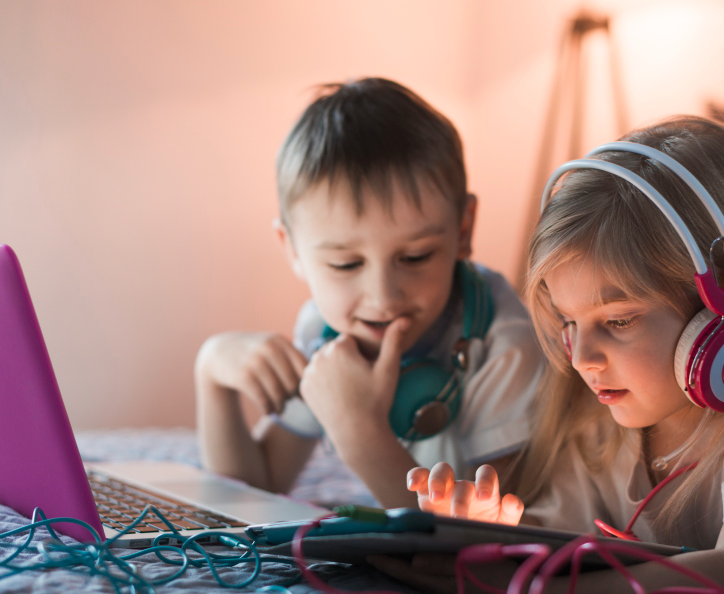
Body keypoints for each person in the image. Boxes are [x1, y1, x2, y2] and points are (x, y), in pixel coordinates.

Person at [387, 116, 724, 594]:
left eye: (618, 321)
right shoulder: (601, 421)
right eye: (569, 322)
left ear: (720, 321)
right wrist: (492, 535)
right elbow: (562, 539)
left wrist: (534, 592)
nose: (583, 359)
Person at [194, 78, 544, 509]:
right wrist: (211, 373)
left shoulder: (506, 346)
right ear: (292, 250)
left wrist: (356, 431)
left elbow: (485, 533)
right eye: (346, 264)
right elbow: (250, 488)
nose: (383, 297)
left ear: (463, 229)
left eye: (415, 257)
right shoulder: (323, 330)